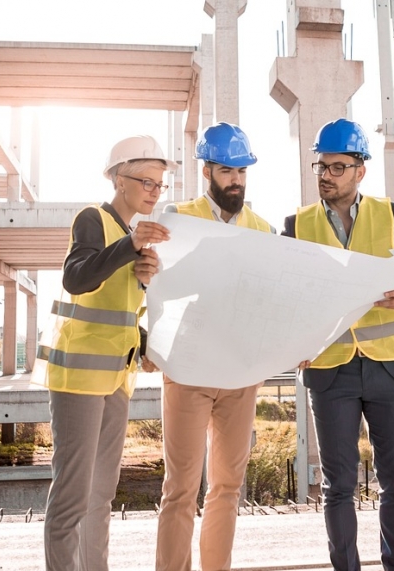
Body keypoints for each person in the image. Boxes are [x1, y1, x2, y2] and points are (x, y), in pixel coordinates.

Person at [282, 118, 394, 571]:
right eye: (321, 166)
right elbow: (280, 295)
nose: (325, 175)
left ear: (359, 171)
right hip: (331, 372)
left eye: (336, 167)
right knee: (338, 485)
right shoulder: (297, 224)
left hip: (390, 368)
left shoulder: (391, 216)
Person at [34, 135, 174, 571]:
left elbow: (122, 315)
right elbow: (77, 279)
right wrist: (129, 248)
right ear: (118, 179)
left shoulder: (134, 240)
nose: (153, 190)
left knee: (101, 495)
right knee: (73, 494)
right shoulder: (94, 219)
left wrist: (145, 283)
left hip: (116, 378)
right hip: (78, 378)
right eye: (145, 181)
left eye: (160, 184)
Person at [144, 122, 274, 571]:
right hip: (188, 371)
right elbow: (154, 286)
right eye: (225, 170)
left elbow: (271, 301)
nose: (235, 179)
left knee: (227, 487)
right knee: (180, 487)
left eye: (241, 170)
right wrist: (149, 340)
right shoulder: (178, 219)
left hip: (240, 374)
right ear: (206, 171)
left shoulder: (263, 229)